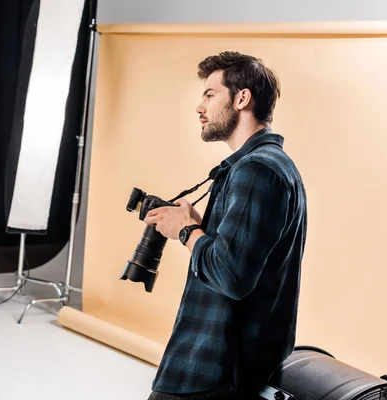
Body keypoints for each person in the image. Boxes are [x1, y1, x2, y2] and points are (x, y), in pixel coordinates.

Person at [143, 51, 307, 399]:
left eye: (210, 94)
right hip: (229, 368)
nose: (199, 107)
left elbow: (231, 275)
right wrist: (201, 228)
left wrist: (187, 232)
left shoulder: (256, 169)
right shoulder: (269, 165)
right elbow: (240, 259)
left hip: (213, 370)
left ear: (242, 98)